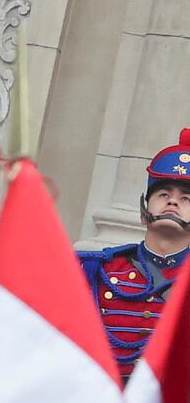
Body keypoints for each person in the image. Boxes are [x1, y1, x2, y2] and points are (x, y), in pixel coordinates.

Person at [80, 128, 190, 380]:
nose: (172, 202)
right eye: (163, 194)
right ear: (143, 212)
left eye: (186, 199)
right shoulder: (98, 270)